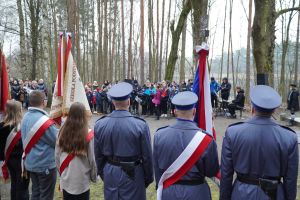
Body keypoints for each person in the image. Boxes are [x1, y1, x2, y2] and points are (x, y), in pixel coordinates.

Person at [220, 85, 299, 200]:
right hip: (274, 195)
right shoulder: (289, 137)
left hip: (241, 193)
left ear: (252, 108)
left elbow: (226, 174)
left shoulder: (233, 132)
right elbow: (290, 180)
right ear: (274, 110)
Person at [153, 91, 219, 200]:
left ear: (174, 111)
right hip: (197, 192)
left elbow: (157, 168)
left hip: (169, 191)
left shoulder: (159, 135)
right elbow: (211, 171)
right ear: (194, 111)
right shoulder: (205, 139)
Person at [94, 82, 153, 200]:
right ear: (129, 101)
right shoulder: (140, 125)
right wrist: (147, 178)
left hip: (112, 171)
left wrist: (104, 173)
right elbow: (147, 156)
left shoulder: (100, 124)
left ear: (113, 102)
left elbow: (98, 156)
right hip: (134, 174)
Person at [21, 91, 58, 200]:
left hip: (31, 164)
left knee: (36, 193)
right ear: (44, 102)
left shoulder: (25, 116)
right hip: (45, 165)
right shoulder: (44, 122)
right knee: (46, 196)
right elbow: (57, 141)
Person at [55, 102, 97, 200]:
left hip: (66, 178)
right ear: (83, 115)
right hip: (82, 180)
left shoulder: (61, 131)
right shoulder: (89, 133)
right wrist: (93, 177)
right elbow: (92, 159)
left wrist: (62, 172)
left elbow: (57, 156)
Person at [0, 100, 29, 200]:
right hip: (21, 161)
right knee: (23, 186)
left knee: (14, 183)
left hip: (9, 160)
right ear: (19, 111)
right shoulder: (24, 125)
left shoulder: (2, 126)